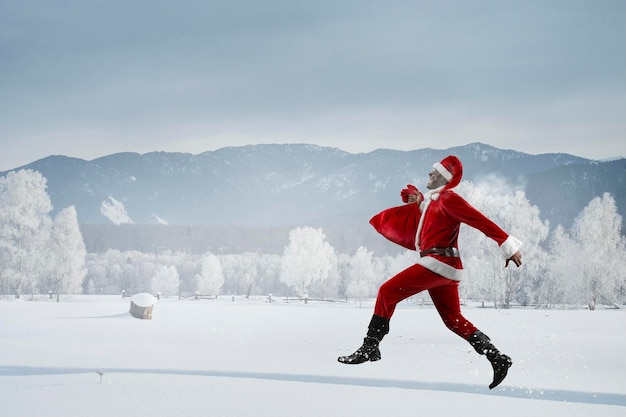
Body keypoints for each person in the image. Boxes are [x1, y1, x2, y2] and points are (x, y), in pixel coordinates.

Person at [337, 155, 523, 390]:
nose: (429, 175)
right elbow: (427, 211)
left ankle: (370, 347)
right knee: (454, 320)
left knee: (387, 292)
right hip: (445, 268)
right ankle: (497, 358)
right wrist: (418, 200)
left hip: (438, 263)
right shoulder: (435, 201)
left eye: (433, 173)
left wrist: (508, 245)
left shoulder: (449, 199)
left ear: (443, 178)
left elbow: (480, 220)